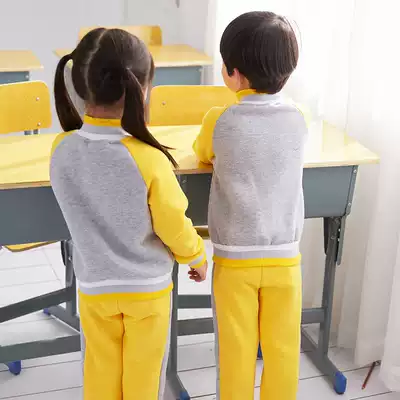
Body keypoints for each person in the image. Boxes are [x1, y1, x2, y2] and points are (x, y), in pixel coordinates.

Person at [51, 28, 208, 400]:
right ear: (143, 89)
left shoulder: (61, 150)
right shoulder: (149, 158)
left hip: (95, 288)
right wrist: (196, 256)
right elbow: (172, 223)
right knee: (143, 381)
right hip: (147, 291)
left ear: (80, 85)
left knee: (100, 377)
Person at [193, 11, 308, 400]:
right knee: (282, 352)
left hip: (235, 260)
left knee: (236, 353)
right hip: (284, 259)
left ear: (233, 73)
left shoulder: (219, 119)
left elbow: (203, 154)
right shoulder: (299, 118)